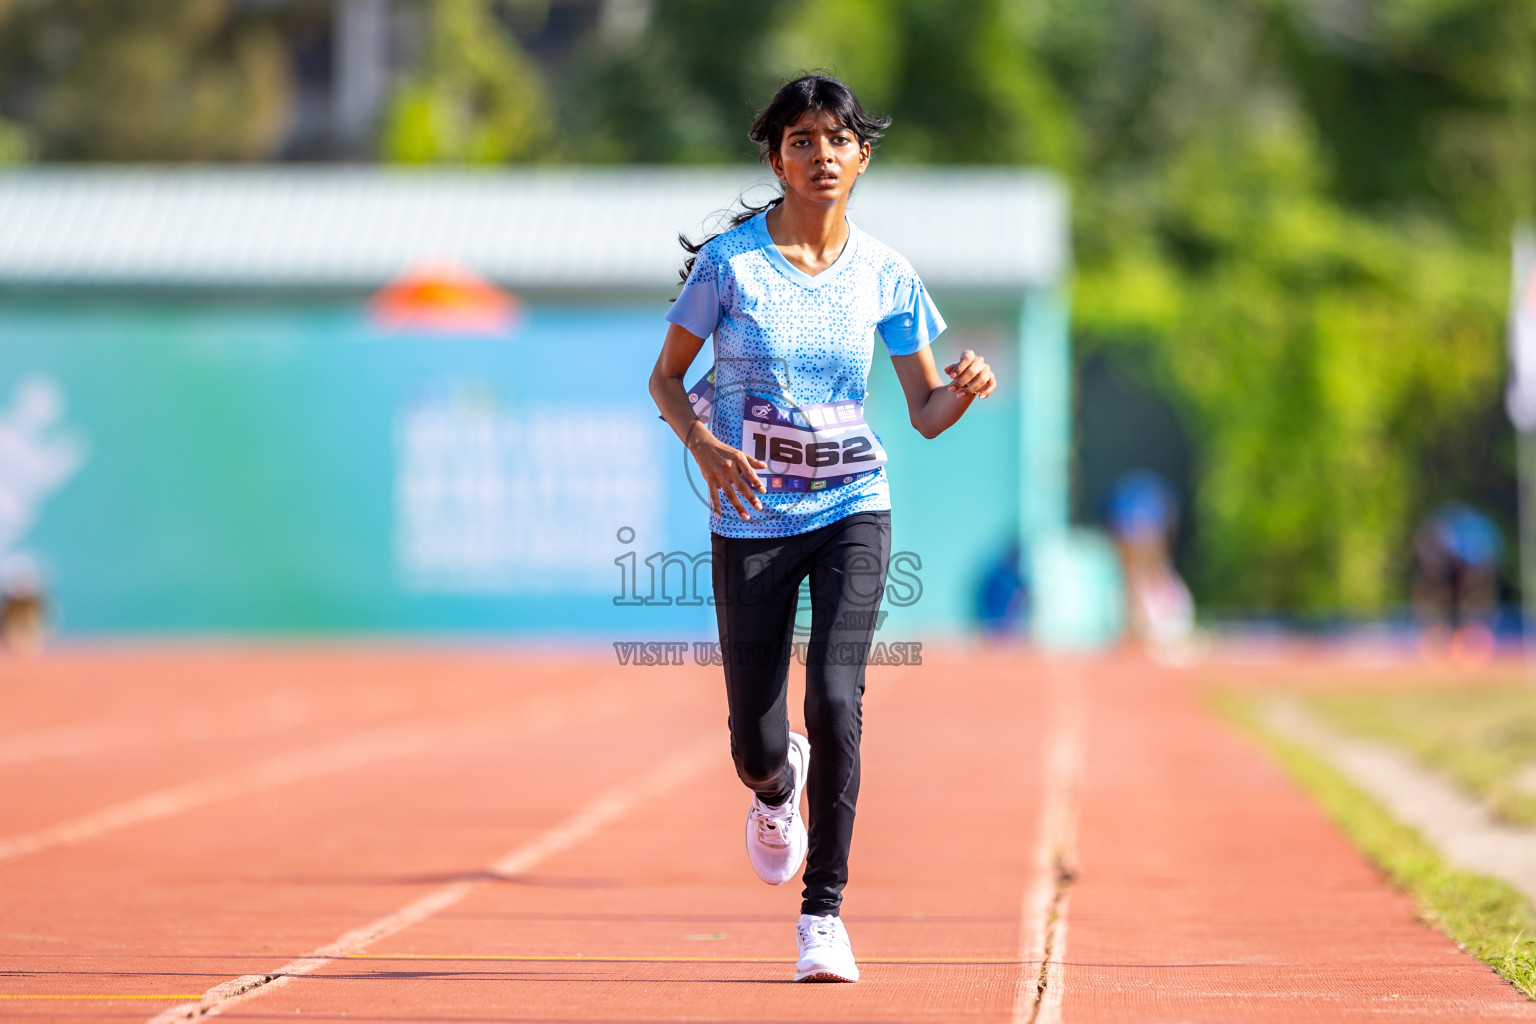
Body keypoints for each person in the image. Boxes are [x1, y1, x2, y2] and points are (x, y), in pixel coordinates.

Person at [648, 74, 997, 983]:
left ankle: (823, 918)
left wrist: (959, 391)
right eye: (801, 141)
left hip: (853, 507)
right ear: (776, 158)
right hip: (751, 516)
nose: (822, 156)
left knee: (837, 697)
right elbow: (665, 381)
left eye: (838, 140)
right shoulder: (729, 265)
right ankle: (777, 787)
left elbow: (921, 410)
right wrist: (705, 441)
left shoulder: (886, 271)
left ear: (862, 156)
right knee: (755, 744)